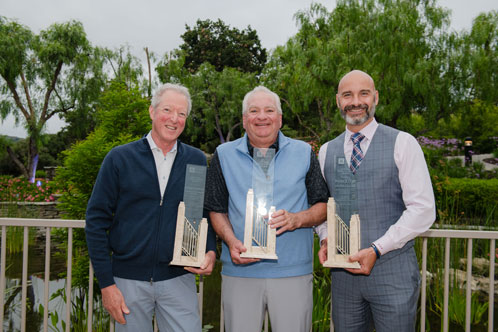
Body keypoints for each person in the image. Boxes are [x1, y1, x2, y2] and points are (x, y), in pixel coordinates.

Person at [85, 83, 216, 332]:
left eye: (182, 114)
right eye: (167, 109)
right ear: (152, 112)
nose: (174, 119)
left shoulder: (195, 159)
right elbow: (96, 221)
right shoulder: (120, 158)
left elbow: (200, 213)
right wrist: (106, 285)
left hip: (179, 279)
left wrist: (209, 250)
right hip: (127, 282)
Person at [316, 70, 436, 332]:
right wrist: (325, 236)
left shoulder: (403, 143)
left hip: (392, 274)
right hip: (344, 279)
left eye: (364, 93)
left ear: (376, 98)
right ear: (338, 101)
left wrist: (377, 249)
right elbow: (322, 206)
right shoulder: (326, 151)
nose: (355, 101)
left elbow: (423, 210)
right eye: (348, 94)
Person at [204, 86, 329, 332]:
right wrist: (230, 241)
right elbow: (216, 209)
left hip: (292, 271)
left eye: (269, 110)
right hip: (240, 272)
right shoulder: (223, 154)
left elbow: (323, 205)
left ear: (280, 119)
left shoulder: (304, 152)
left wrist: (297, 219)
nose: (262, 117)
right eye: (254, 111)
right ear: (244, 119)